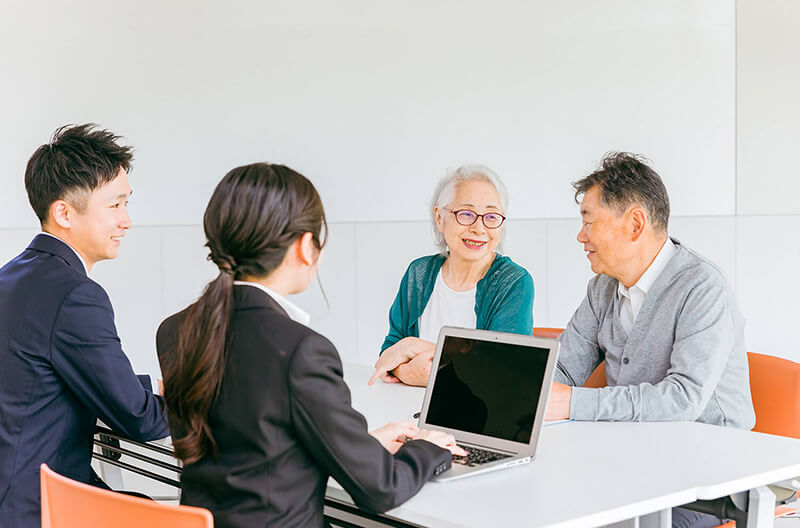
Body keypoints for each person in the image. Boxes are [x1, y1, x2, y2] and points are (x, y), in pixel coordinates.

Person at [157, 163, 464, 528]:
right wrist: (429, 449)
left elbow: (255, 445)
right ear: (305, 246)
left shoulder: (175, 330)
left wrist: (361, 445)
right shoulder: (301, 350)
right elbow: (380, 489)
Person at [546, 152, 755, 528]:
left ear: (635, 223)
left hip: (708, 478)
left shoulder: (702, 287)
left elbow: (683, 399)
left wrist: (570, 403)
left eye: (588, 222)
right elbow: (561, 370)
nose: (581, 236)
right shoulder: (602, 289)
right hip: (630, 459)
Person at [0, 124, 169, 528]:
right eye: (115, 206)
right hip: (38, 508)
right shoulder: (76, 295)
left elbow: (45, 378)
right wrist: (201, 399)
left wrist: (149, 386)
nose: (126, 221)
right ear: (64, 213)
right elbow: (141, 420)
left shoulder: (12, 277)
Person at [369, 164, 534, 387]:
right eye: (466, 214)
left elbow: (500, 368)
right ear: (439, 217)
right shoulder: (419, 274)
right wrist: (408, 371)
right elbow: (389, 354)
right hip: (408, 409)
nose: (479, 228)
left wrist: (413, 347)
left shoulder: (513, 282)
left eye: (491, 216)